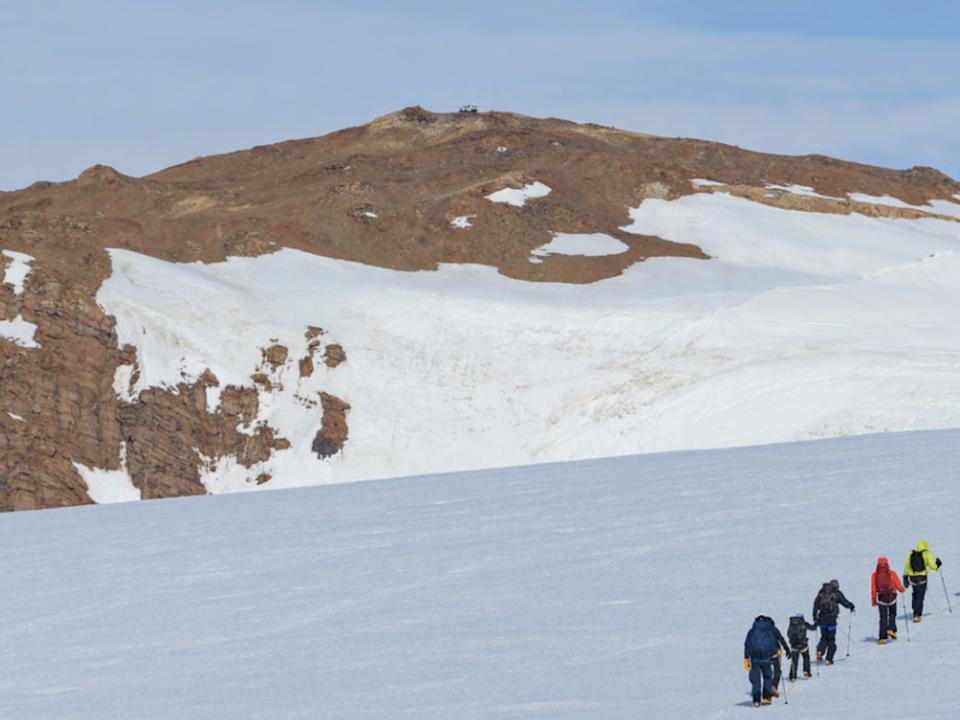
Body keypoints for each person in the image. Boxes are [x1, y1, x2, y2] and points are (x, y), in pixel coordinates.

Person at [813, 579, 855, 665]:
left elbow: (816, 604)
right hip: (831, 619)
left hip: (822, 618)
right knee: (831, 639)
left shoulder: (821, 592)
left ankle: (820, 652)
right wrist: (851, 606)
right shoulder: (836, 593)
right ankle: (829, 659)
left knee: (824, 637)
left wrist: (815, 617)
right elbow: (845, 602)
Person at [744, 616, 781, 707]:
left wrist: (746, 658)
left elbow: (747, 644)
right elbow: (773, 643)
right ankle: (766, 698)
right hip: (766, 659)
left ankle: (756, 700)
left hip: (755, 659)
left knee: (756, 680)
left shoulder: (752, 631)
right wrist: (776, 652)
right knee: (767, 678)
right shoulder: (769, 631)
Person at [903, 540, 942, 622]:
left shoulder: (911, 553)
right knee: (920, 596)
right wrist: (938, 564)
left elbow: (907, 565)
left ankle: (915, 608)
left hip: (913, 577)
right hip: (922, 577)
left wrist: (905, 575)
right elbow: (932, 566)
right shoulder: (927, 553)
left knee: (915, 593)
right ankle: (917, 614)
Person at [871, 556, 905, 643]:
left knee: (883, 617)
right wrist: (901, 589)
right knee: (892, 613)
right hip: (892, 597)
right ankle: (892, 630)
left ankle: (882, 637)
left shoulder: (875, 575)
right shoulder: (891, 573)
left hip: (882, 598)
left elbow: (873, 589)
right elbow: (897, 584)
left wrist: (874, 600)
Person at [754, 615, 790, 697]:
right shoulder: (773, 629)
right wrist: (787, 649)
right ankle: (773, 687)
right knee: (777, 671)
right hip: (775, 654)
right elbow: (781, 639)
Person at [786, 613, 817, 680]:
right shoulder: (804, 623)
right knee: (806, 657)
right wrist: (816, 623)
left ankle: (792, 676)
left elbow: (788, 634)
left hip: (794, 645)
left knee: (794, 661)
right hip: (803, 645)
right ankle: (806, 671)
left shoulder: (791, 624)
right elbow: (813, 628)